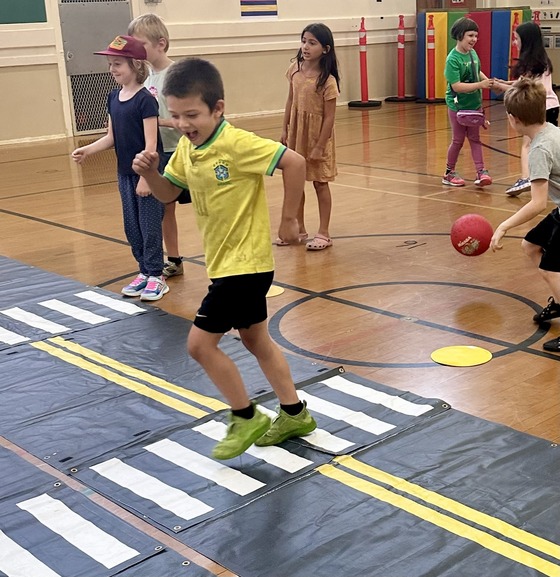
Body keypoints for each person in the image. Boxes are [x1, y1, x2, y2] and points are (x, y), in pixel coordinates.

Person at [132, 58, 317, 459]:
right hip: (226, 264)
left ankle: (245, 415)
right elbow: (170, 195)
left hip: (245, 266)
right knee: (255, 339)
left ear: (218, 109)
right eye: (176, 115)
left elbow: (295, 162)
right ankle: (294, 412)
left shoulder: (235, 143)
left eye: (192, 114)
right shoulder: (187, 147)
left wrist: (289, 220)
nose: (182, 123)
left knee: (200, 346)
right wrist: (150, 175)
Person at [72, 35, 168, 301]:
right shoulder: (113, 97)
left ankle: (157, 275)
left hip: (146, 174)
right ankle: (143, 270)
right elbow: (111, 137)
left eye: (118, 64)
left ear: (135, 66)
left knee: (149, 227)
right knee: (132, 227)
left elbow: (151, 145)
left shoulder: (145, 100)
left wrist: (147, 177)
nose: (112, 69)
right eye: (111, 64)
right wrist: (87, 150)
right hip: (124, 174)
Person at [490, 77, 560, 352]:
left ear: (513, 119)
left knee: (550, 269)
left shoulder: (539, 149)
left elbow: (538, 203)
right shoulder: (551, 129)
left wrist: (503, 226)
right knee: (531, 244)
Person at [128, 13, 185, 278]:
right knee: (165, 208)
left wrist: (155, 121)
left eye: (142, 45)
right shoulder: (145, 78)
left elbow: (185, 120)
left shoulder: (176, 76)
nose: (137, 51)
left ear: (161, 43)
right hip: (162, 154)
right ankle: (173, 259)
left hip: (183, 150)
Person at [277, 23, 340, 251]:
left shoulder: (328, 81)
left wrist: (320, 145)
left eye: (312, 43)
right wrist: (285, 128)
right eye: (304, 41)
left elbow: (330, 118)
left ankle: (324, 232)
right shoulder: (295, 69)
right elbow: (290, 101)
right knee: (296, 183)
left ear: (325, 49)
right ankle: (299, 229)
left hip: (318, 138)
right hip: (296, 134)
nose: (305, 46)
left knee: (320, 184)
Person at [493, 21, 559, 197]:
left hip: (538, 106)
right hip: (552, 106)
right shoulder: (542, 60)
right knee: (549, 143)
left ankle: (526, 177)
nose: (515, 43)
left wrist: (501, 87)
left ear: (526, 40)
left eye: (516, 39)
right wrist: (503, 83)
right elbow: (522, 82)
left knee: (527, 144)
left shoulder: (531, 62)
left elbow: (523, 89)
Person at [442, 17, 494, 188]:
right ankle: (449, 173)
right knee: (458, 140)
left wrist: (491, 83)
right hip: (457, 105)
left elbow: (477, 71)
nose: (474, 39)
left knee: (475, 138)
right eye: (470, 35)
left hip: (474, 104)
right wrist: (481, 85)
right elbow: (456, 86)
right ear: (459, 36)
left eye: (476, 36)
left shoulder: (472, 53)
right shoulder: (453, 59)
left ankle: (481, 171)